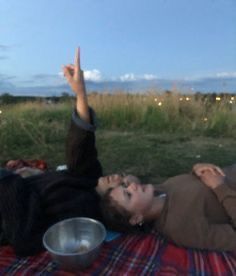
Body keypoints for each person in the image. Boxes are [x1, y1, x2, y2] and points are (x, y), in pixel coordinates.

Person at [0, 48, 138, 256]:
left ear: (119, 210)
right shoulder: (90, 178)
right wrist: (81, 93)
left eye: (124, 186)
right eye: (125, 177)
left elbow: (25, 237)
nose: (118, 177)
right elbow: (81, 144)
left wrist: (13, 183)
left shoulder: (82, 212)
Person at [100, 163, 236, 251]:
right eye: (128, 195)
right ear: (136, 218)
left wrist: (196, 170)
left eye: (125, 186)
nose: (131, 185)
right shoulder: (180, 227)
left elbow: (191, 188)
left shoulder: (160, 190)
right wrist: (220, 187)